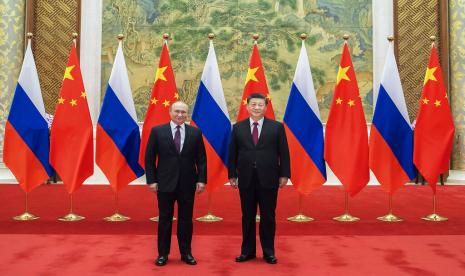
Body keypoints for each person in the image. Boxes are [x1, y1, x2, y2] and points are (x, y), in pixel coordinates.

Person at [228, 93, 290, 264]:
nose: (256, 108)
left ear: (266, 107)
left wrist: (284, 174)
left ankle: (269, 252)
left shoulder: (276, 127)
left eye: (260, 105)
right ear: (247, 107)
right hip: (246, 178)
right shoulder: (238, 127)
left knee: (268, 216)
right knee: (247, 216)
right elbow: (232, 153)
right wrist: (232, 174)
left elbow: (283, 152)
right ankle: (247, 251)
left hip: (269, 177)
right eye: (253, 104)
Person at [145, 101, 207, 266]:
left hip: (188, 183)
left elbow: (201, 160)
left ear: (187, 114)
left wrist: (201, 180)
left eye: (184, 112)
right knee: (165, 219)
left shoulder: (195, 133)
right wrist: (151, 180)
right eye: (177, 111)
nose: (180, 115)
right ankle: (162, 254)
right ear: (170, 112)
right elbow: (149, 159)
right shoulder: (158, 131)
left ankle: (186, 253)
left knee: (186, 220)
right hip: (165, 183)